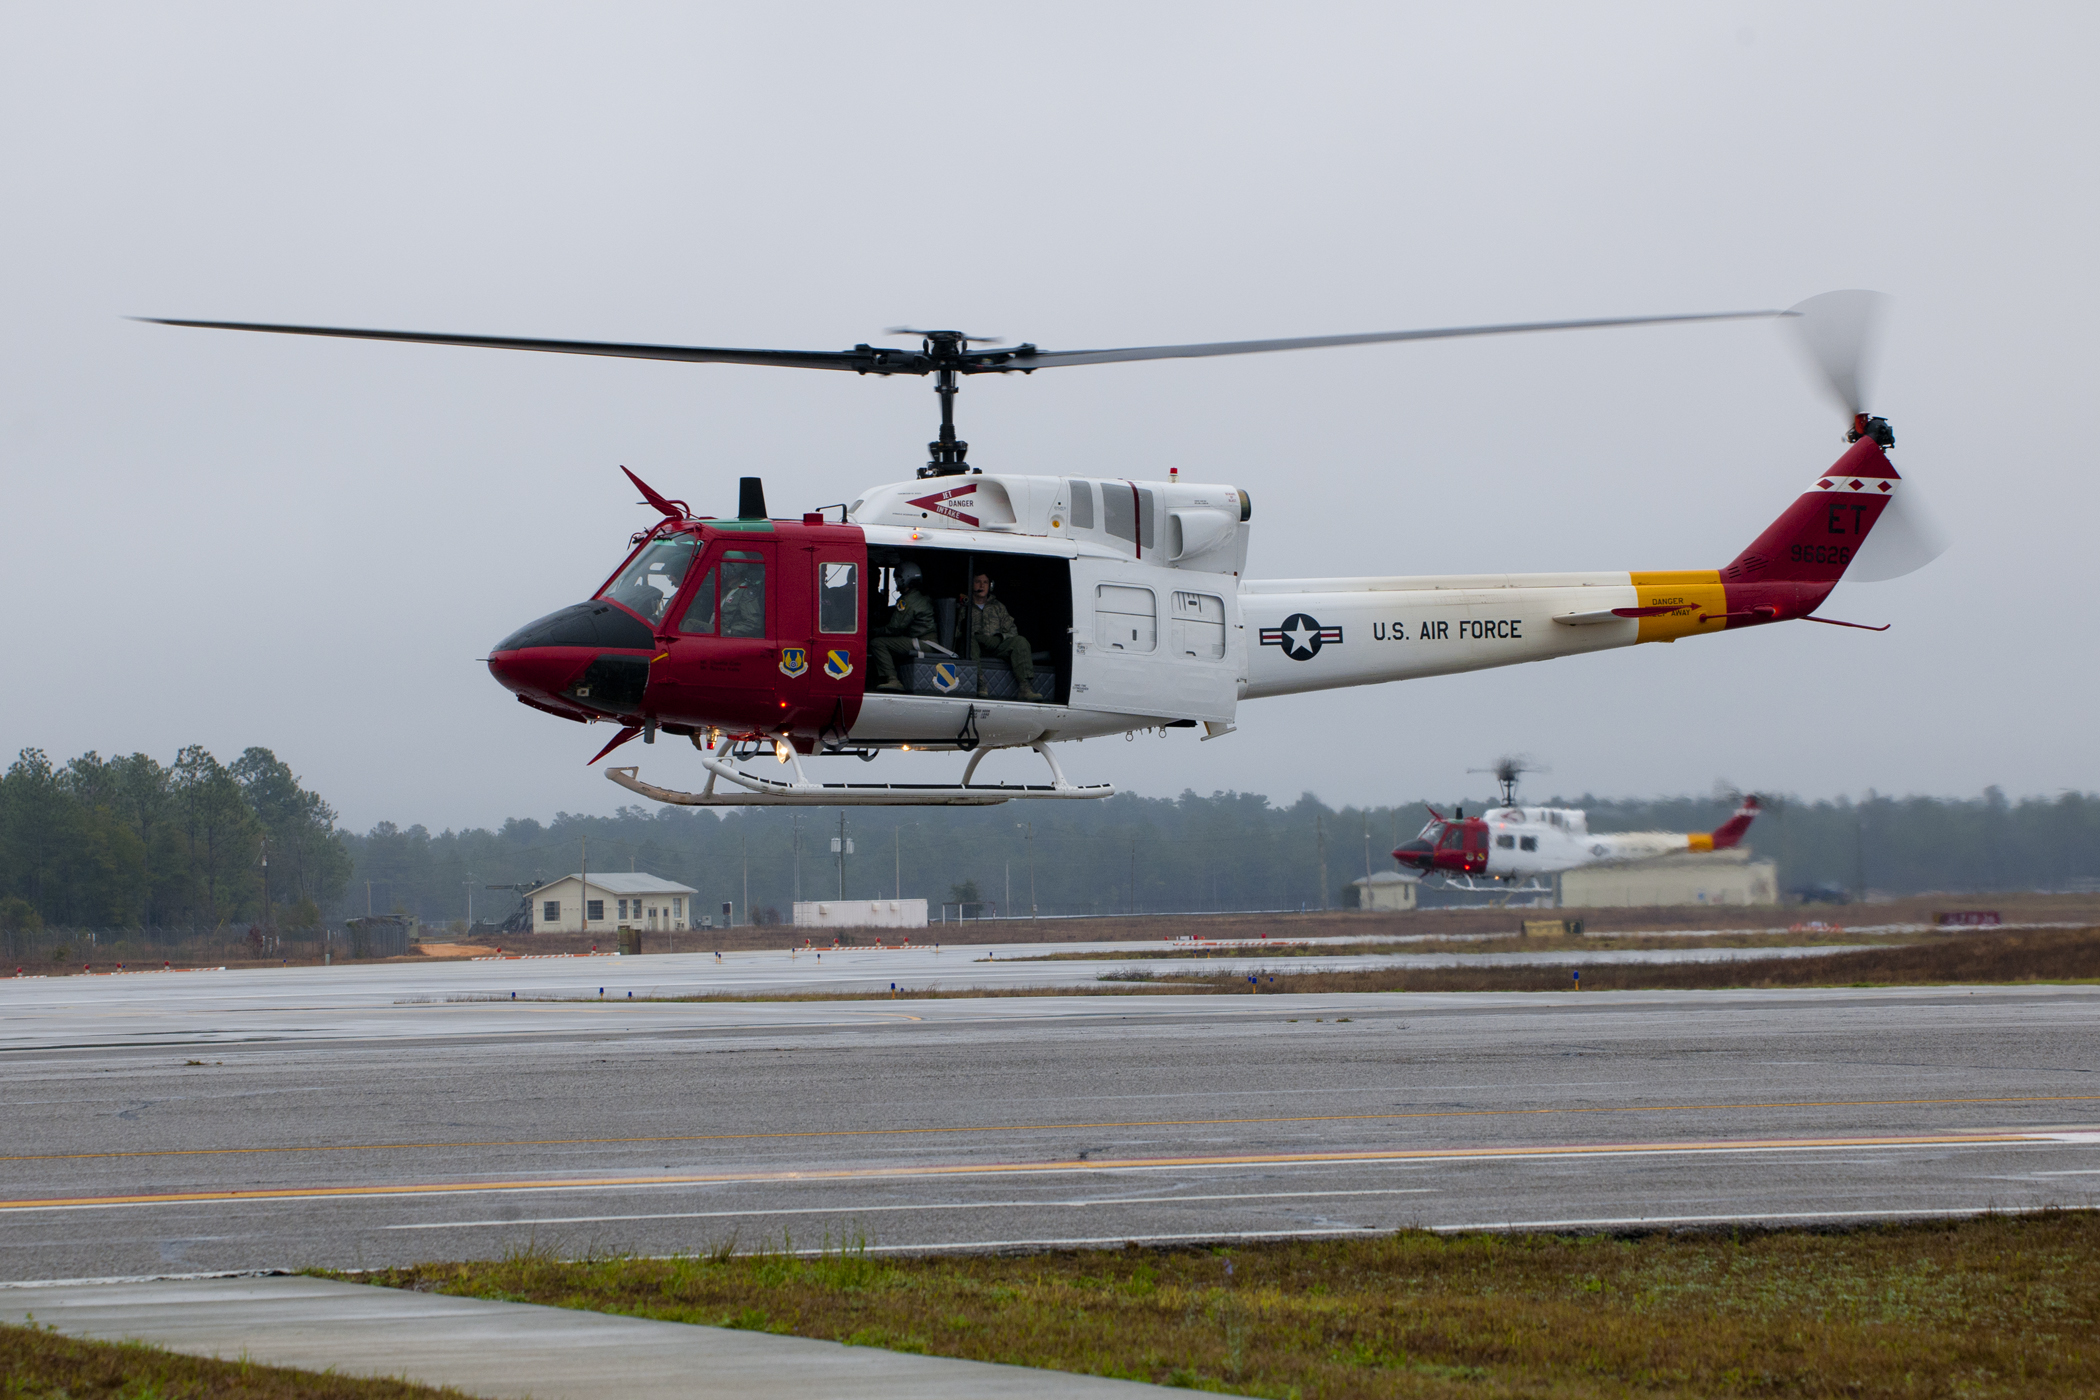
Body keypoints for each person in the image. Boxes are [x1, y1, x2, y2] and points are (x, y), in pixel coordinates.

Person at [966, 572, 1039, 701]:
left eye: (985, 582)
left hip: (997, 648)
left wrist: (999, 638)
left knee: (1020, 641)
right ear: (972, 584)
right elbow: (956, 633)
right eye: (978, 581)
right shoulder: (964, 606)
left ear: (991, 586)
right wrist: (977, 637)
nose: (982, 585)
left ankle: (1025, 688)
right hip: (973, 648)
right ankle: (979, 684)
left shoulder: (998, 607)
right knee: (969, 642)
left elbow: (1012, 630)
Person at [869, 561, 936, 691]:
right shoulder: (919, 597)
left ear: (904, 579)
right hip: (927, 641)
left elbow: (894, 628)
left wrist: (873, 631)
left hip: (923, 643)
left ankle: (892, 679)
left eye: (897, 579)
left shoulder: (907, 601)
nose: (896, 583)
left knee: (877, 643)